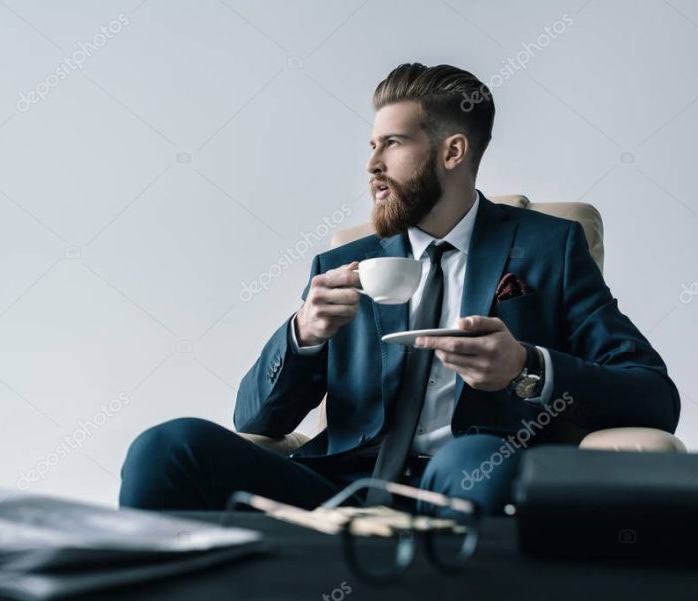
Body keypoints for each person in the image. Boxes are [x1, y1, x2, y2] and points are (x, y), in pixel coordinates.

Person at [119, 63, 680, 515]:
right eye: (371, 145)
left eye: (391, 143)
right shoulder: (341, 265)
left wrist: (527, 367)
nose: (372, 165)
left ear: (451, 152)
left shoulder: (549, 249)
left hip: (470, 474)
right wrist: (303, 334)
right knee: (165, 449)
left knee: (476, 458)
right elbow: (256, 422)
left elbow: (654, 396)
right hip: (336, 484)